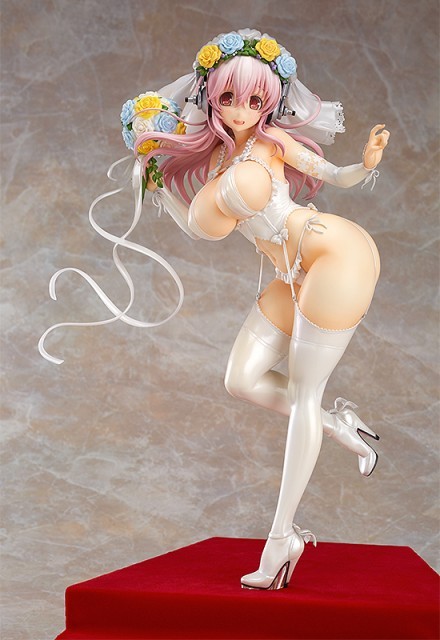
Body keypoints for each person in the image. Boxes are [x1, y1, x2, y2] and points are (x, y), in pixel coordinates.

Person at [39, 29, 389, 590]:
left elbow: (333, 176)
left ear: (270, 101)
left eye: (255, 100)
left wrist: (365, 165)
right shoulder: (223, 159)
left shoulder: (270, 147)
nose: (242, 110)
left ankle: (282, 540)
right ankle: (338, 425)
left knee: (304, 392)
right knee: (241, 379)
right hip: (291, 271)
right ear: (210, 97)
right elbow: (200, 227)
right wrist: (156, 179)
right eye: (229, 98)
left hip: (335, 256)